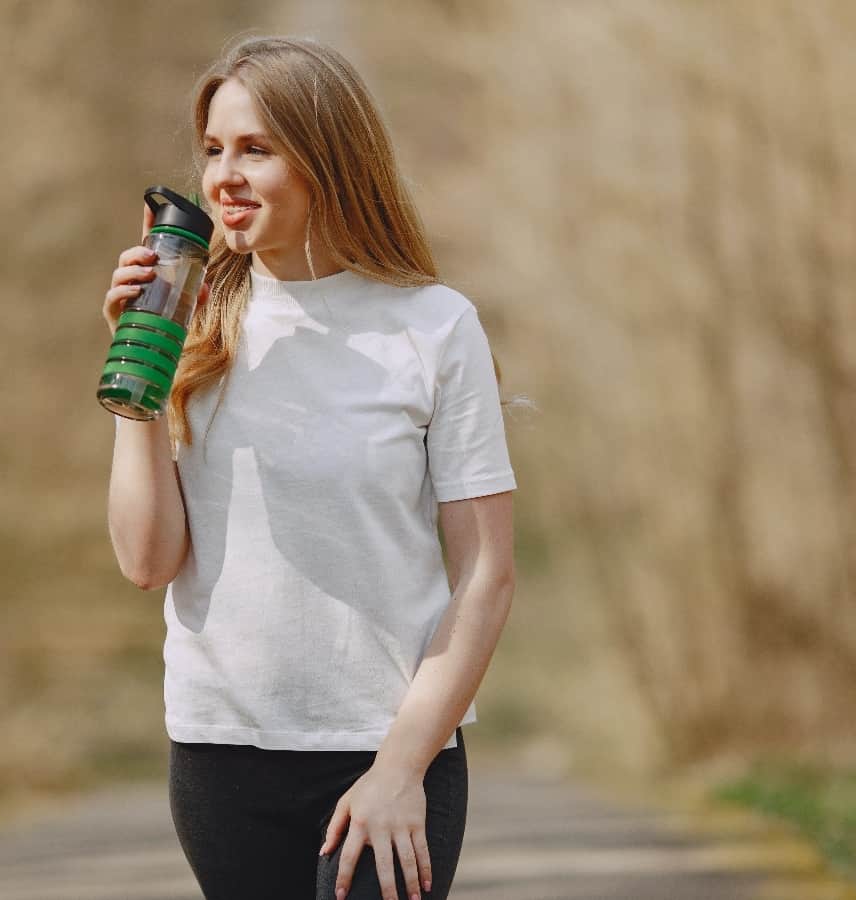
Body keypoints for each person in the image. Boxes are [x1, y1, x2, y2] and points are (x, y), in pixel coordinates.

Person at [103, 35, 517, 900]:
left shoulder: (435, 328)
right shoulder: (196, 316)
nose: (223, 175)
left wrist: (401, 768)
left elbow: (484, 574)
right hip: (223, 756)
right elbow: (146, 563)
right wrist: (138, 364)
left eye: (257, 149)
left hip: (392, 752)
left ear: (329, 158)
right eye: (214, 149)